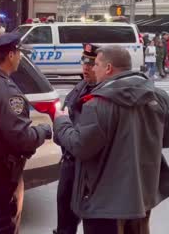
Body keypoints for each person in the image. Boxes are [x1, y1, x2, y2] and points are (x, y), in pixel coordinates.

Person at [53, 45, 169, 234]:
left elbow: (80, 146)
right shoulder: (158, 96)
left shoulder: (97, 104)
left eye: (96, 64)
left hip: (105, 203)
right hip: (141, 196)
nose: (92, 68)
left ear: (109, 68)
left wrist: (61, 122)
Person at [0, 32, 52, 234]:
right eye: (20, 53)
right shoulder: (6, 91)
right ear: (12, 55)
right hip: (0, 171)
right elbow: (21, 138)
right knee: (1, 224)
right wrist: (44, 131)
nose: (21, 58)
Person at [53, 43, 99, 234]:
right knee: (65, 217)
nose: (86, 67)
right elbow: (63, 116)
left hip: (89, 168)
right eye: (84, 61)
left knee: (92, 221)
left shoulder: (103, 94)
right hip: (70, 163)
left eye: (91, 63)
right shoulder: (79, 87)